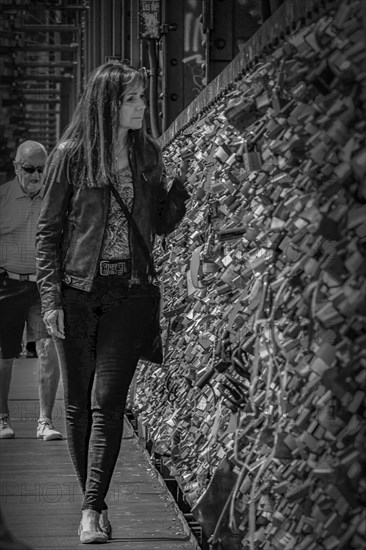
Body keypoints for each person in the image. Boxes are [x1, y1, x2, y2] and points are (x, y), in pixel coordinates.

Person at [35, 61, 190, 544]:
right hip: (77, 292)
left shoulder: (148, 153)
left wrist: (178, 191)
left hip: (131, 292)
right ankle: (94, 506)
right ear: (108, 103)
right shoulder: (71, 155)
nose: (143, 106)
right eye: (133, 99)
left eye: (142, 97)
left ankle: (90, 510)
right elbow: (48, 231)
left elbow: (160, 226)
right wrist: (50, 297)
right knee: (78, 406)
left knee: (107, 402)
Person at [0, 141, 62, 441]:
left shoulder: (55, 196)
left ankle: (45, 421)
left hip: (44, 284)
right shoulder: (2, 197)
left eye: (41, 168)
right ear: (16, 168)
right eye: (29, 169)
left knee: (49, 350)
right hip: (7, 284)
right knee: (4, 356)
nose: (36, 175)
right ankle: (2, 418)